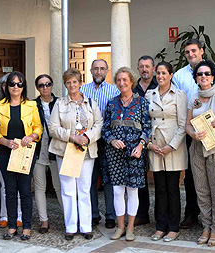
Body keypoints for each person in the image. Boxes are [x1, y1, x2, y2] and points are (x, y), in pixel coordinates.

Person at [172, 38, 215, 229]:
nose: (191, 54)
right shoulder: (179, 76)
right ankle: (196, 218)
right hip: (194, 138)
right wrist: (191, 133)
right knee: (196, 182)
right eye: (187, 52)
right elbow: (181, 109)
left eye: (194, 51)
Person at [49, 68, 103, 240]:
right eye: (68, 82)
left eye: (75, 82)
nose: (72, 85)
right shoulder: (60, 104)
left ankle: (86, 226)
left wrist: (86, 137)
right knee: (68, 190)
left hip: (86, 152)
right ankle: (71, 226)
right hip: (66, 152)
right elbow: (53, 128)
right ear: (65, 85)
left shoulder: (91, 103)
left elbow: (99, 125)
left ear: (80, 83)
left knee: (84, 189)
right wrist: (72, 137)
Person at [0, 71, 43, 241]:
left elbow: (38, 127)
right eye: (12, 83)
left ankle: (26, 227)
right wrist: (4, 142)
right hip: (6, 152)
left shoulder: (31, 105)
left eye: (19, 84)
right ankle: (12, 225)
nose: (15, 87)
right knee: (10, 191)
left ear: (23, 86)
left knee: (25, 191)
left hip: (25, 152)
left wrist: (32, 136)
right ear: (7, 87)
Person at [185, 60, 215, 247]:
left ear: (213, 77)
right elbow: (187, 124)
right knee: (201, 190)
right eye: (200, 74)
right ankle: (205, 227)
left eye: (207, 74)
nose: (203, 77)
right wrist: (193, 134)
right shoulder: (193, 98)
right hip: (197, 148)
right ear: (196, 78)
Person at [103, 67, 151, 242]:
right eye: (119, 80)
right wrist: (111, 140)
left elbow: (147, 127)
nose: (122, 83)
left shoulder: (142, 103)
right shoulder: (111, 103)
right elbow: (105, 128)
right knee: (117, 191)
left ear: (131, 81)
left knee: (132, 191)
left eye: (125, 80)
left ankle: (130, 227)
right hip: (115, 153)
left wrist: (141, 145)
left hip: (134, 153)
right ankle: (120, 226)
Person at [146, 61, 188, 243]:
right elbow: (145, 121)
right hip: (155, 146)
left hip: (173, 148)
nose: (160, 77)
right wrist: (149, 144)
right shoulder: (149, 94)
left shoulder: (180, 95)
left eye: (164, 73)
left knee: (173, 188)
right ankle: (160, 226)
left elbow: (183, 123)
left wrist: (171, 146)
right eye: (158, 74)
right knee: (159, 189)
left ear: (171, 75)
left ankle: (173, 227)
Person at [80, 59, 119, 229]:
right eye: (95, 68)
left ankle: (111, 215)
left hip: (108, 140)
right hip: (88, 140)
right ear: (90, 70)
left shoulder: (114, 90)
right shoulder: (83, 90)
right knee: (90, 178)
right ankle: (93, 214)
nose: (98, 71)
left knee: (109, 179)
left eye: (102, 69)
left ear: (107, 71)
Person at [0, 74, 23, 228]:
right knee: (5, 186)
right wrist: (1, 142)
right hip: (3, 149)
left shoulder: (26, 104)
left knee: (19, 186)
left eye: (14, 83)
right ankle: (5, 215)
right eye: (6, 84)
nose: (11, 87)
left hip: (20, 150)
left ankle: (18, 216)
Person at [33, 74, 62, 234]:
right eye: (41, 85)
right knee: (40, 187)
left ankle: (68, 217)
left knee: (59, 186)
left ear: (52, 85)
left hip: (56, 148)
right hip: (39, 149)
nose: (45, 88)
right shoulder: (32, 104)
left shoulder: (60, 102)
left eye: (48, 84)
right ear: (38, 87)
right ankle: (43, 220)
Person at [132, 55, 158, 227]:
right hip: (138, 137)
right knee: (140, 176)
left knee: (159, 177)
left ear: (153, 68)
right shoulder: (133, 89)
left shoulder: (160, 85)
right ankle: (142, 213)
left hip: (157, 136)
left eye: (147, 66)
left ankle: (160, 216)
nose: (144, 69)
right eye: (141, 66)